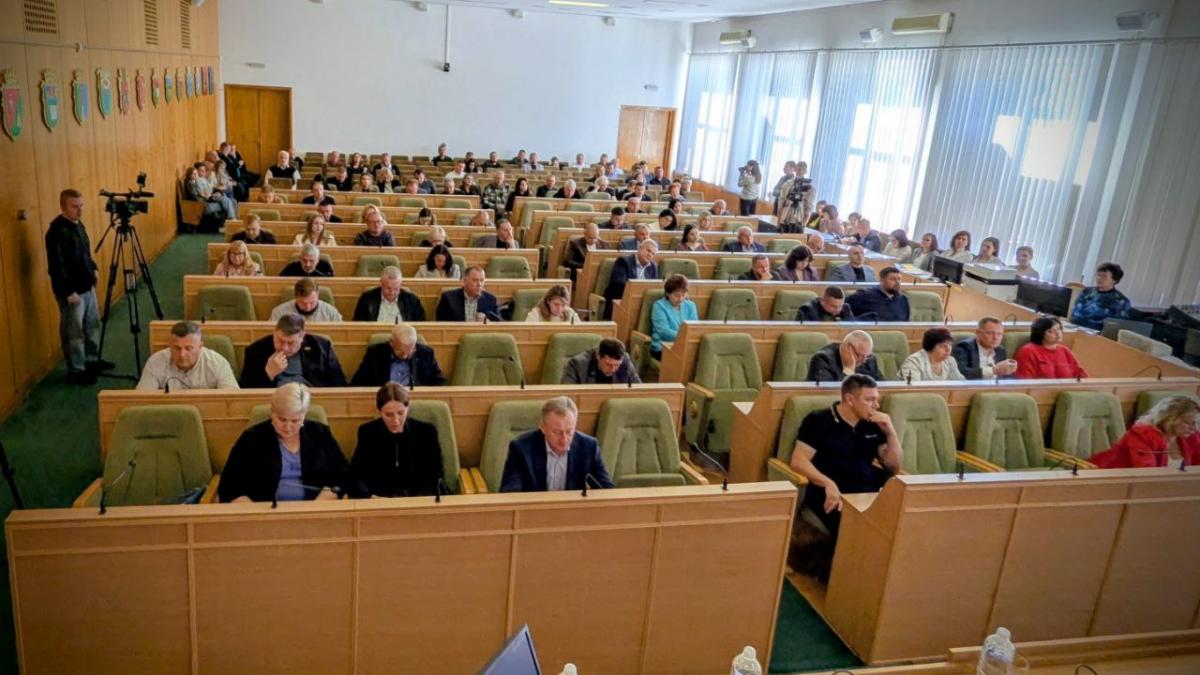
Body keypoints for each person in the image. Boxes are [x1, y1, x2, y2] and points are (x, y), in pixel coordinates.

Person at [788, 374, 902, 538]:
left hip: (868, 493)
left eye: (877, 399)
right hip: (831, 492)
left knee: (898, 522)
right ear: (849, 399)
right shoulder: (818, 420)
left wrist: (890, 432)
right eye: (869, 400)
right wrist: (827, 483)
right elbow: (798, 461)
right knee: (858, 530)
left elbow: (894, 466)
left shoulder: (873, 424)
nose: (876, 405)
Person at [218, 383, 365, 503]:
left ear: (304, 415)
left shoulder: (320, 433)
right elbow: (228, 485)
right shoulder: (252, 438)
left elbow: (343, 475)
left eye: (295, 421)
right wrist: (251, 510)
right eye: (282, 419)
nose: (288, 427)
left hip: (314, 509)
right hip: (266, 512)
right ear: (272, 412)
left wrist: (330, 494)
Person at [46, 188, 111, 384]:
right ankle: (77, 369)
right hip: (72, 292)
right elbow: (56, 266)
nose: (80, 210)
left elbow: (85, 253)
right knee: (74, 332)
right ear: (63, 207)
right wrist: (67, 292)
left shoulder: (78, 225)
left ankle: (91, 360)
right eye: (74, 207)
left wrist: (93, 268)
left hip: (87, 286)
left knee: (92, 325)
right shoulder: (56, 232)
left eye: (81, 206)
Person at [499, 397, 614, 492]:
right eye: (556, 432)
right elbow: (510, 493)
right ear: (543, 427)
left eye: (569, 431)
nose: (564, 439)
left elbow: (607, 490)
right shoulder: (521, 448)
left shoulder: (589, 447)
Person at [351, 383, 445, 497]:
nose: (395, 420)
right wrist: (370, 496)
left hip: (418, 499)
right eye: (388, 415)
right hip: (379, 500)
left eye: (400, 413)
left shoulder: (426, 432)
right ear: (380, 411)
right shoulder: (368, 432)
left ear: (407, 408)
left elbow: (435, 476)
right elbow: (356, 475)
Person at [1091, 395, 1200, 468]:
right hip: (1110, 479)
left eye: (1196, 423)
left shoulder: (1192, 437)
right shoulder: (1141, 434)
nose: (1194, 428)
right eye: (1188, 422)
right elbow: (1147, 472)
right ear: (1170, 420)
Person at [240, 314, 347, 388]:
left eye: (291, 343)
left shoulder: (322, 347)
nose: (285, 348)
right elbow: (245, 390)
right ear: (274, 332)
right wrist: (268, 374)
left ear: (302, 337)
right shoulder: (256, 350)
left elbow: (340, 385)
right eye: (280, 341)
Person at [136, 321, 238, 391]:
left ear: (200, 347)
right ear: (170, 346)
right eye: (177, 348)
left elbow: (232, 400)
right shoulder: (156, 362)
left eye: (188, 348)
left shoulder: (218, 363)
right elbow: (142, 399)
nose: (182, 354)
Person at [350, 324, 446, 387]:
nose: (405, 356)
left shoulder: (426, 353)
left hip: (416, 399)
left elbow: (440, 383)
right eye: (400, 351)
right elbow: (357, 383)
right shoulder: (375, 353)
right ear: (391, 343)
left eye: (409, 351)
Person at [1015, 316, 1088, 379]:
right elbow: (1024, 382)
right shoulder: (1028, 351)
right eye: (1050, 331)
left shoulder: (1065, 350)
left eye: (1058, 329)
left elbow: (1081, 375)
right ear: (1040, 334)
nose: (1057, 333)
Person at [603, 239, 659, 320]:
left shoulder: (653, 266)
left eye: (653, 254)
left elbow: (654, 287)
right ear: (640, 248)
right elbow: (619, 284)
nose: (650, 255)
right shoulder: (623, 261)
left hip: (642, 303)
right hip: (620, 301)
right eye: (648, 250)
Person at [650, 274, 699, 360]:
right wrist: (684, 338)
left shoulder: (691, 305)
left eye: (683, 295)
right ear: (667, 293)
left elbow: (694, 328)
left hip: (685, 347)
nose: (680, 299)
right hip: (663, 347)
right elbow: (663, 332)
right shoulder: (658, 306)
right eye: (676, 295)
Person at [1070, 262, 1131, 330]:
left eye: (1104, 276)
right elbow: (1076, 312)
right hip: (1076, 327)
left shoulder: (1121, 301)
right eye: (1098, 275)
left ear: (1114, 280)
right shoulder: (1087, 291)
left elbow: (1116, 325)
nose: (1099, 278)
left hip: (1098, 332)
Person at [952, 317, 1018, 380]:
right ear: (977, 333)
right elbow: (961, 373)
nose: (995, 338)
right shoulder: (964, 348)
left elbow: (1004, 377)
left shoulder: (1001, 350)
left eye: (999, 334)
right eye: (990, 333)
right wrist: (993, 370)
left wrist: (1010, 370)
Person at [353, 266, 425, 322]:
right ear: (381, 284)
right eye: (388, 288)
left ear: (400, 285)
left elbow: (421, 325)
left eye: (396, 288)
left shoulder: (412, 301)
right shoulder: (367, 299)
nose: (392, 292)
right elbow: (358, 324)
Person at [808, 330, 883, 383]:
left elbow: (882, 386)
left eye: (867, 356)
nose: (863, 360)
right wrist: (848, 369)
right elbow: (827, 393)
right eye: (858, 355)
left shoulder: (869, 359)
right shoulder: (823, 359)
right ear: (846, 348)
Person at [562, 338, 641, 385]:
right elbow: (566, 395)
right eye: (608, 364)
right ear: (598, 356)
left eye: (617, 365)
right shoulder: (577, 364)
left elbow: (638, 388)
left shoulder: (625, 360)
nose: (613, 369)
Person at [898, 328, 964, 382]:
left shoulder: (950, 361)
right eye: (942, 346)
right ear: (930, 346)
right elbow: (914, 388)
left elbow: (960, 383)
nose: (948, 349)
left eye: (950, 345)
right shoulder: (914, 362)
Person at [435, 266, 499, 322]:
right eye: (475, 280)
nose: (479, 284)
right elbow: (440, 324)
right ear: (465, 281)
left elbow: (500, 323)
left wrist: (487, 321)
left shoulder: (491, 299)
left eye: (481, 280)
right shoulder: (448, 298)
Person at [269, 278, 342, 323]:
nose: (308, 307)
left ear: (317, 295)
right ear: (295, 297)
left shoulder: (331, 313)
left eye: (312, 302)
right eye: (302, 303)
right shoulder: (279, 313)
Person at [778, 161, 814, 232]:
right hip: (785, 217)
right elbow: (781, 202)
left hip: (799, 220)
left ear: (806, 171)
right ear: (795, 169)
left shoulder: (809, 187)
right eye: (798, 169)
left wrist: (804, 223)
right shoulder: (787, 184)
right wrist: (778, 221)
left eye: (802, 169)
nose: (800, 171)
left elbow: (809, 207)